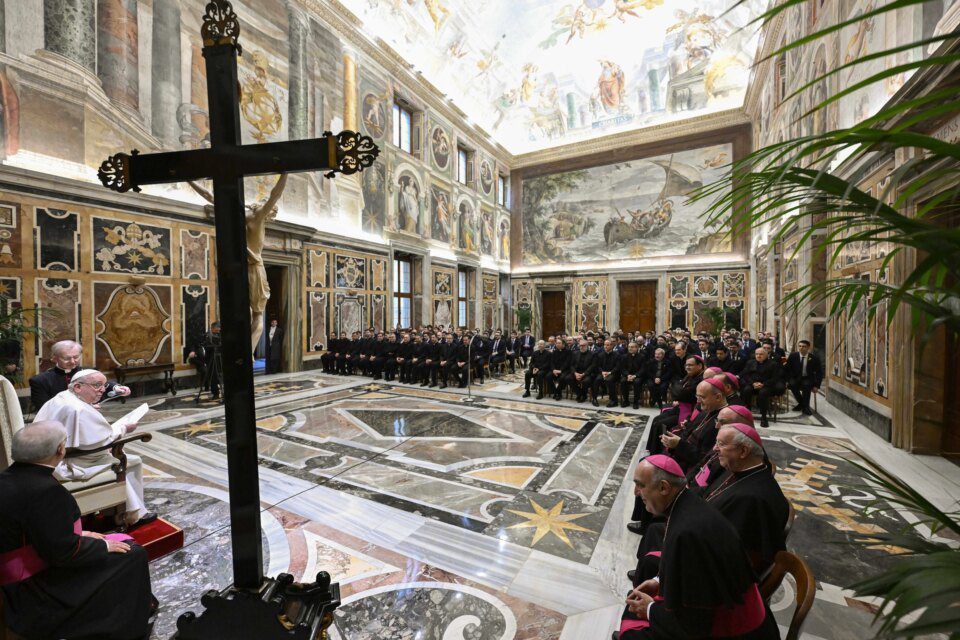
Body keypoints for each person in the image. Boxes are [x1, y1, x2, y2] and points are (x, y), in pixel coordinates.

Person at [0, 422, 156, 640]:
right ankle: (125, 627)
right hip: (31, 593)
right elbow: (63, 554)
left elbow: (34, 531)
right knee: (132, 554)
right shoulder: (46, 491)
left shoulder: (7, 478)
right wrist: (102, 545)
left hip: (16, 575)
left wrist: (81, 536)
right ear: (60, 450)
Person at [619, 455, 779, 640]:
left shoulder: (686, 534)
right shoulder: (688, 503)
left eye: (641, 485)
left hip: (733, 631)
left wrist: (650, 609)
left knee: (632, 635)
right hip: (733, 610)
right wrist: (659, 580)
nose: (636, 493)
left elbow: (694, 626)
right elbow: (700, 575)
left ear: (664, 487)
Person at [33, 370, 155, 527]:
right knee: (129, 460)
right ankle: (130, 516)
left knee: (127, 458)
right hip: (72, 464)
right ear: (77, 387)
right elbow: (101, 442)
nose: (103, 390)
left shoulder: (63, 397)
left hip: (52, 456)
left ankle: (126, 510)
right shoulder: (78, 409)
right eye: (97, 385)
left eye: (103, 385)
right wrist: (124, 428)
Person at [704, 423, 790, 575]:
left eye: (721, 444)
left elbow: (726, 554)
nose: (715, 449)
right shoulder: (745, 470)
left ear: (743, 451)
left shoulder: (751, 500)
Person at [30, 340, 130, 411]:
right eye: (67, 358)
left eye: (76, 357)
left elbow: (103, 384)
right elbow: (45, 408)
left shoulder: (89, 371)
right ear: (54, 358)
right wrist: (84, 408)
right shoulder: (40, 380)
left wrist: (118, 388)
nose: (73, 362)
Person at [740, 348, 783, 428]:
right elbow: (746, 375)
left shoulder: (773, 364)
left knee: (763, 393)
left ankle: (764, 417)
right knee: (746, 390)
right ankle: (747, 414)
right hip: (753, 384)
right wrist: (753, 383)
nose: (758, 356)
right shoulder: (750, 362)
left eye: (761, 354)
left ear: (766, 355)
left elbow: (775, 378)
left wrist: (763, 384)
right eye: (757, 354)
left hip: (767, 385)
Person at [785, 340, 823, 415]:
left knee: (806, 386)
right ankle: (803, 404)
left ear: (808, 347)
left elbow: (819, 373)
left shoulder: (814, 358)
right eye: (800, 346)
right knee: (792, 385)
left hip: (807, 378)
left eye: (804, 346)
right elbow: (787, 369)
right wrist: (787, 380)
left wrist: (817, 385)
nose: (801, 348)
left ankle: (805, 408)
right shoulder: (793, 356)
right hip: (795, 377)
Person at [565, 339, 597, 405]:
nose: (581, 347)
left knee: (586, 381)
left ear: (587, 346)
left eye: (583, 345)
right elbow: (571, 365)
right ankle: (579, 393)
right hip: (576, 372)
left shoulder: (593, 354)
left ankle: (583, 395)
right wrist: (575, 373)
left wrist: (583, 374)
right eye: (580, 345)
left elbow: (593, 366)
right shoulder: (575, 353)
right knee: (568, 378)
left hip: (587, 373)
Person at [593, 338, 623, 408]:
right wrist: (602, 372)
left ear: (612, 346)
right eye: (605, 345)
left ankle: (613, 400)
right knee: (597, 380)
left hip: (614, 373)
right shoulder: (600, 355)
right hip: (603, 373)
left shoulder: (617, 355)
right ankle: (594, 399)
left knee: (609, 380)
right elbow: (598, 366)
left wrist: (610, 372)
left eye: (608, 345)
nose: (605, 346)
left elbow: (618, 367)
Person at [620, 341, 646, 409]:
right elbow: (622, 368)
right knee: (623, 381)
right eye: (629, 347)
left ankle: (636, 401)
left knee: (637, 382)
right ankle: (626, 400)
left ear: (636, 348)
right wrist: (628, 375)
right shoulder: (624, 356)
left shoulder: (642, 357)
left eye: (632, 347)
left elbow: (643, 369)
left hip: (638, 376)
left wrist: (635, 376)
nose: (630, 348)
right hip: (627, 375)